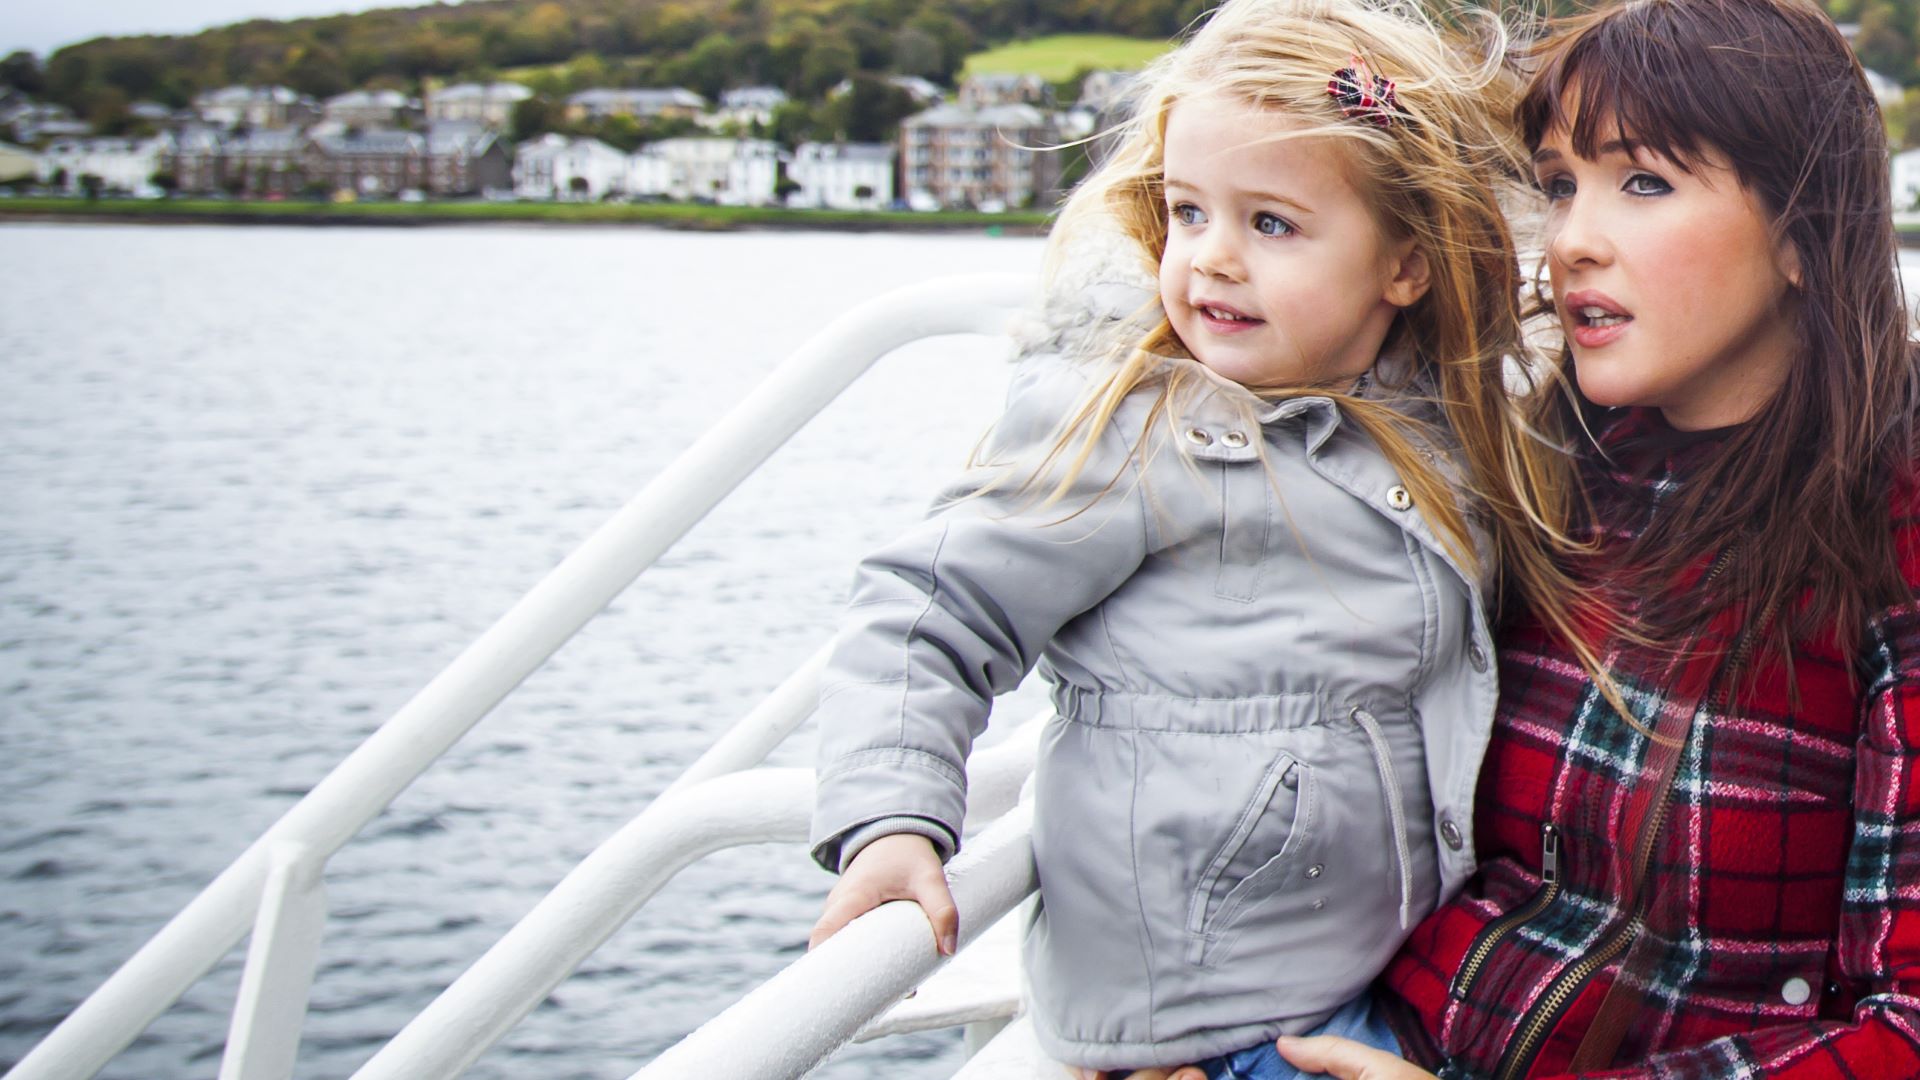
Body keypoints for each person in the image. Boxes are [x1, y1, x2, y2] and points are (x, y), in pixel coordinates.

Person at [1122, 0, 1920, 1077]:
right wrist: (1193, 1021)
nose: (1574, 239)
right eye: (1557, 184)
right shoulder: (1541, 464)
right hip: (1355, 1028)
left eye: (1643, 182)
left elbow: (1906, 1025)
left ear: (1800, 227)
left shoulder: (1892, 529)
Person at [804, 0, 1601, 1075]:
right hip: (1200, 1014)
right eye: (1188, 213)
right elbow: (930, 608)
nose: (1212, 261)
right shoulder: (1138, 427)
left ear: (1404, 266)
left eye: (1270, 224)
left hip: (1361, 974)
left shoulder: (1437, 426)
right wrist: (893, 822)